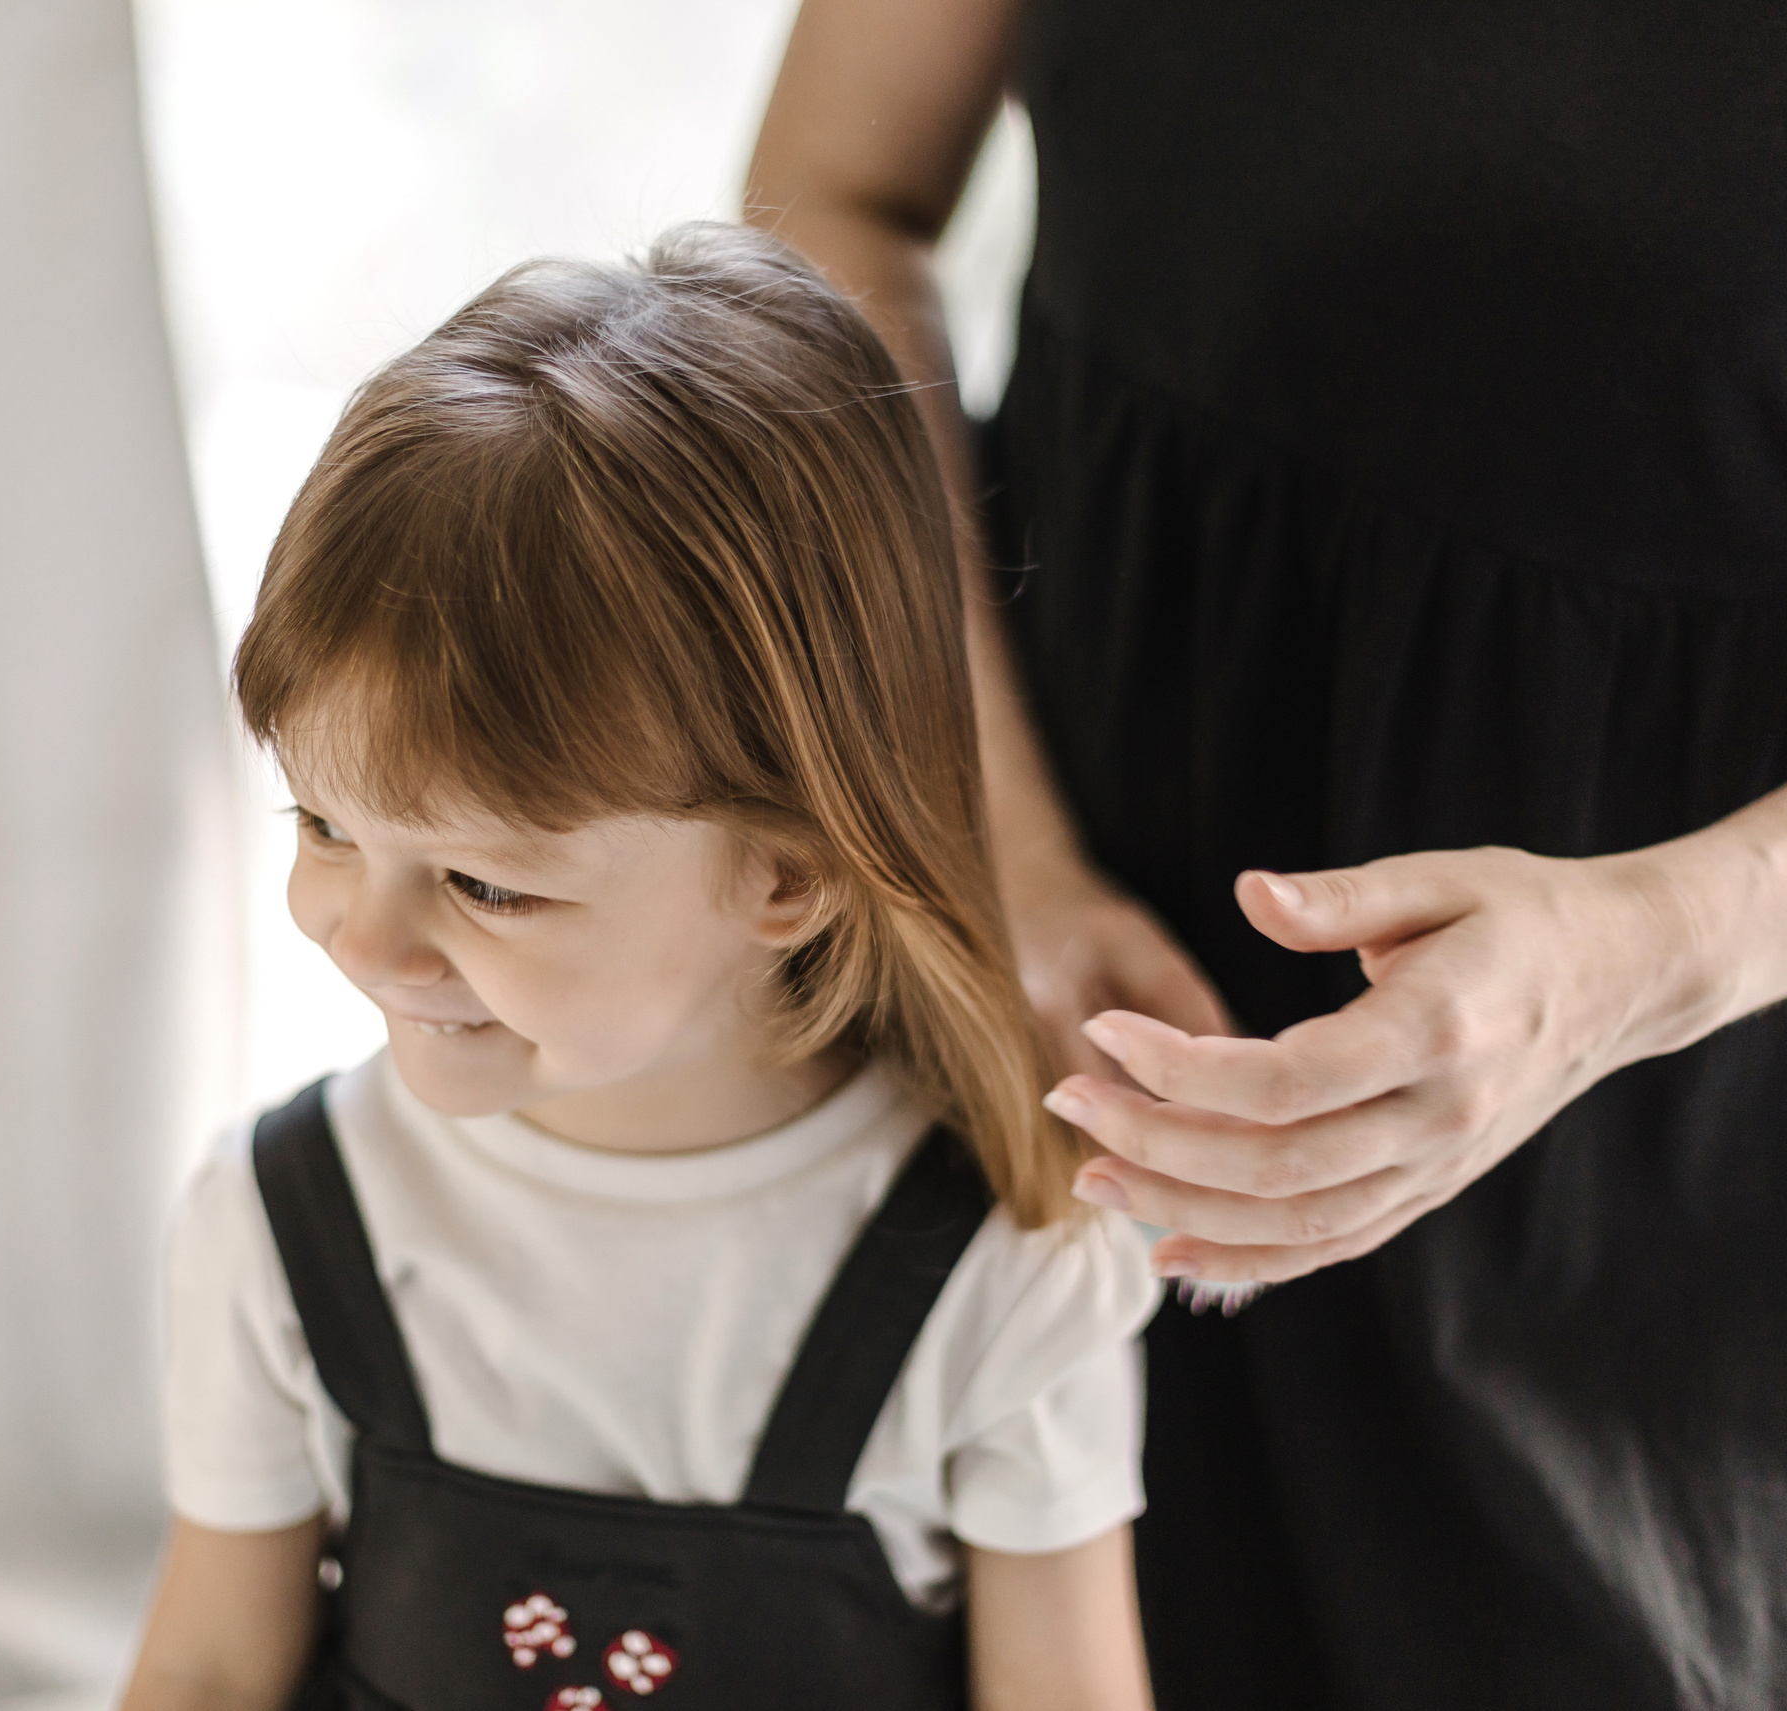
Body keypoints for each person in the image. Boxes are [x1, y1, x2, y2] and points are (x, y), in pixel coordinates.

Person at [746, 1, 1787, 1706]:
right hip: (1029, 1033)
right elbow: (832, 201)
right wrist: (993, 850)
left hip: (1654, 1216)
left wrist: (1638, 956)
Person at [115, 224, 1160, 1711]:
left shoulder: (1008, 1267)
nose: (363, 933)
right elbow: (212, 1671)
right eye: (325, 824)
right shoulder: (280, 1222)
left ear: (785, 871)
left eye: (486, 883)